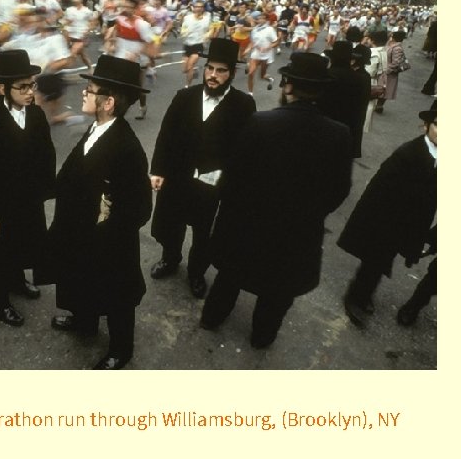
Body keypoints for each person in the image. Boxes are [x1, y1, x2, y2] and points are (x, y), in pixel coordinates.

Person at [201, 52, 352, 348]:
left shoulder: (261, 122)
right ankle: (262, 336)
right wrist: (310, 214)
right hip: (297, 234)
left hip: (248, 224)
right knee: (278, 292)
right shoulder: (340, 134)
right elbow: (339, 190)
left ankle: (212, 318)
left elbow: (232, 178)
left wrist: (235, 210)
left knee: (230, 278)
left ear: (288, 86)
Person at [41, 55, 152, 369]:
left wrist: (107, 231)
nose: (84, 94)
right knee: (80, 281)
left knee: (116, 296)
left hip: (109, 243)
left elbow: (140, 208)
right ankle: (84, 322)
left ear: (109, 102)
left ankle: (120, 349)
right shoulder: (96, 129)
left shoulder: (127, 148)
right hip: (80, 234)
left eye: (91, 90)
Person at [149, 39, 256, 299]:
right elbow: (166, 135)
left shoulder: (243, 105)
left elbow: (244, 150)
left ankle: (196, 273)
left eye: (221, 71)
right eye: (210, 69)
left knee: (204, 233)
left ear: (231, 73)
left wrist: (227, 179)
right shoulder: (185, 97)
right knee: (172, 223)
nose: (213, 75)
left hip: (212, 184)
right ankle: (171, 259)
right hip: (177, 176)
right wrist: (158, 170)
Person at [0, 50, 56, 327]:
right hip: (1, 203)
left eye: (32, 85)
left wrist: (46, 188)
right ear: (4, 88)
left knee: (26, 241)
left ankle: (17, 281)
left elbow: (46, 152)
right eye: (22, 87)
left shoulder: (36, 115)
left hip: (29, 198)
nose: (30, 92)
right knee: (0, 252)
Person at [339, 101, 437, 329]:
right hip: (385, 221)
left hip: (406, 224)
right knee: (374, 261)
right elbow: (380, 191)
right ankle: (355, 297)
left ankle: (364, 294)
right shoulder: (409, 154)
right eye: (437, 125)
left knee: (381, 262)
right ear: (426, 126)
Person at [245, 11, 278, 95]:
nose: (260, 20)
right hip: (256, 54)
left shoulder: (270, 29)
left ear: (266, 20)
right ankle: (250, 94)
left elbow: (276, 42)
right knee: (251, 73)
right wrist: (248, 49)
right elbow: (252, 42)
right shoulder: (255, 29)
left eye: (262, 18)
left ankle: (270, 79)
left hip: (266, 55)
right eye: (259, 18)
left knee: (262, 76)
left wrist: (268, 47)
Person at [377, 30, 408, 113]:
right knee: (381, 88)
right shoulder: (391, 44)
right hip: (384, 70)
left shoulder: (397, 48)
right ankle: (378, 105)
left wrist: (386, 70)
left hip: (389, 73)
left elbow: (396, 62)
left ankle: (379, 106)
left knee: (385, 90)